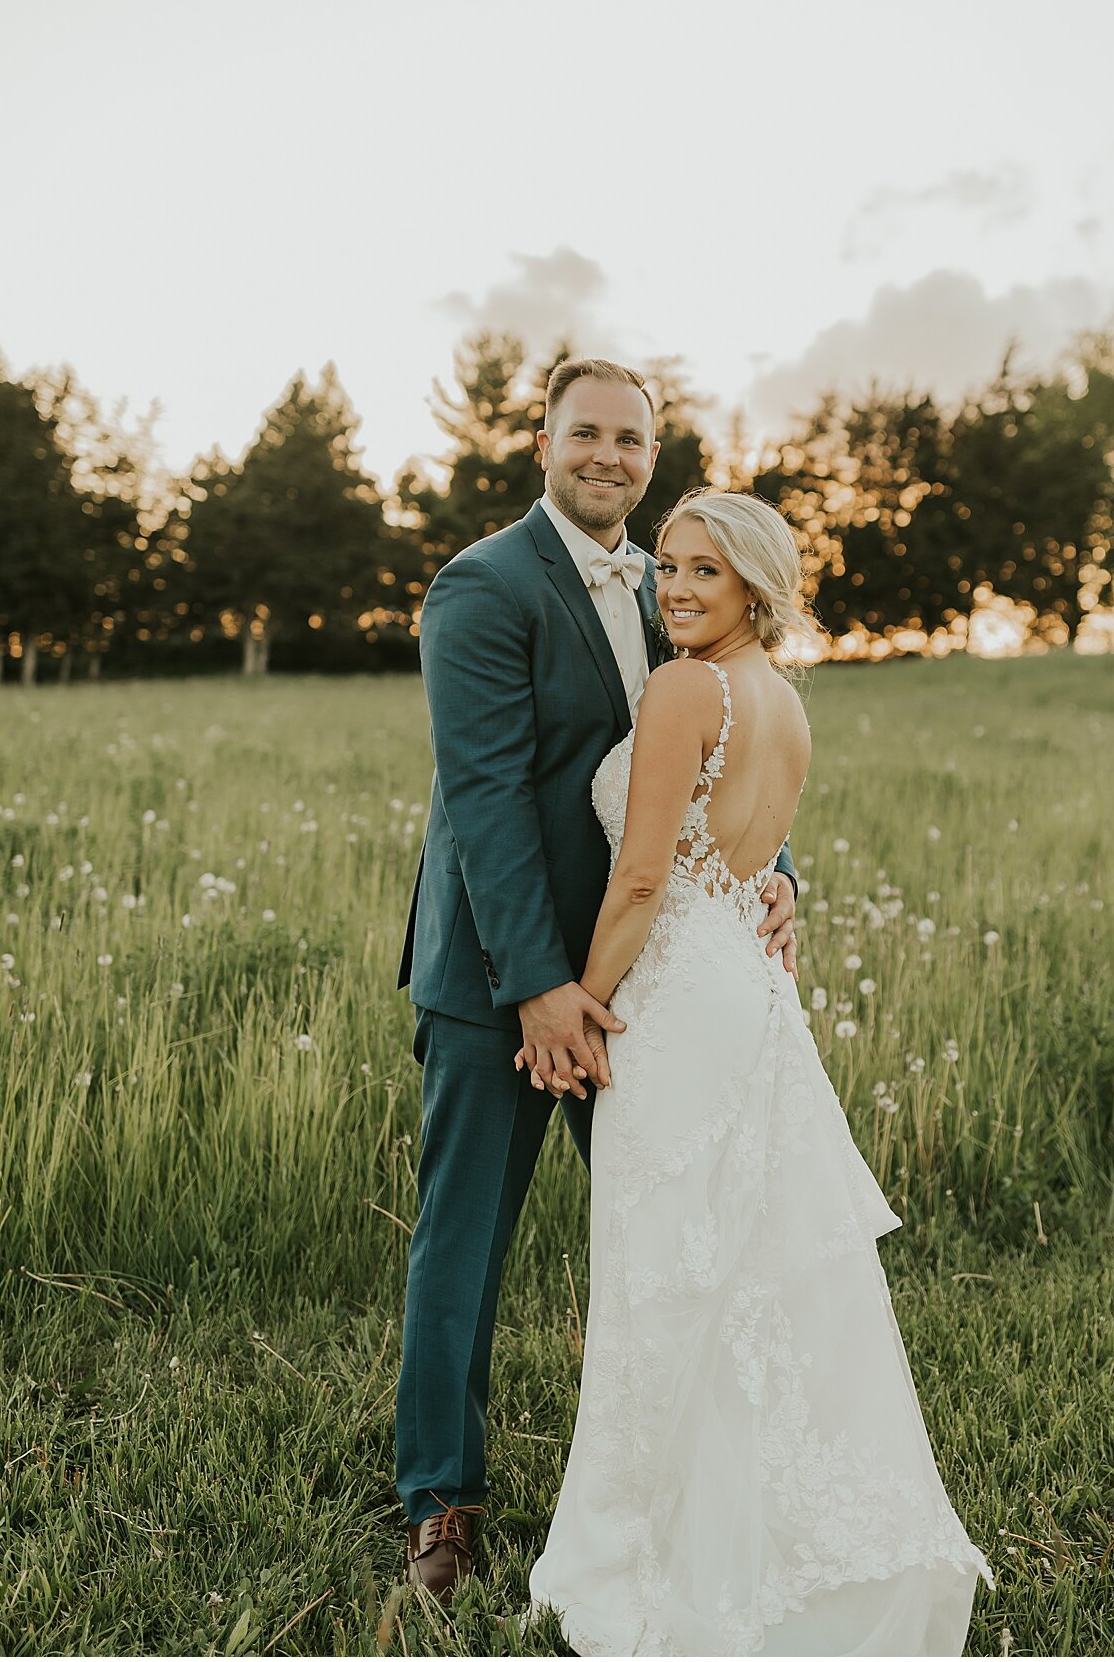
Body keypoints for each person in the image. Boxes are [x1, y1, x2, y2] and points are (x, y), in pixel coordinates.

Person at [522, 488, 995, 1656]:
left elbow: (640, 879)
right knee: (743, 1273)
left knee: (668, 1278)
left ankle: (667, 1553)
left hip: (678, 1001)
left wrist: (579, 1001)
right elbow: (749, 857)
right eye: (668, 567)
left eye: (703, 573)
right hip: (753, 991)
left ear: (752, 588)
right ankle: (750, 1521)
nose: (675, 588)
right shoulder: (781, 700)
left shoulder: (685, 687)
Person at [393, 360, 800, 1601]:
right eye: (587, 434)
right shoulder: (482, 586)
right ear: (544, 444)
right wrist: (538, 986)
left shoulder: (668, 591)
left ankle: (694, 1482)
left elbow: (706, 756)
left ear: (652, 452)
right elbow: (489, 803)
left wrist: (776, 873)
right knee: (466, 1238)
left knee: (676, 1239)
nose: (609, 455)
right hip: (505, 983)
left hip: (651, 986)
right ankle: (442, 1501)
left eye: (631, 437)